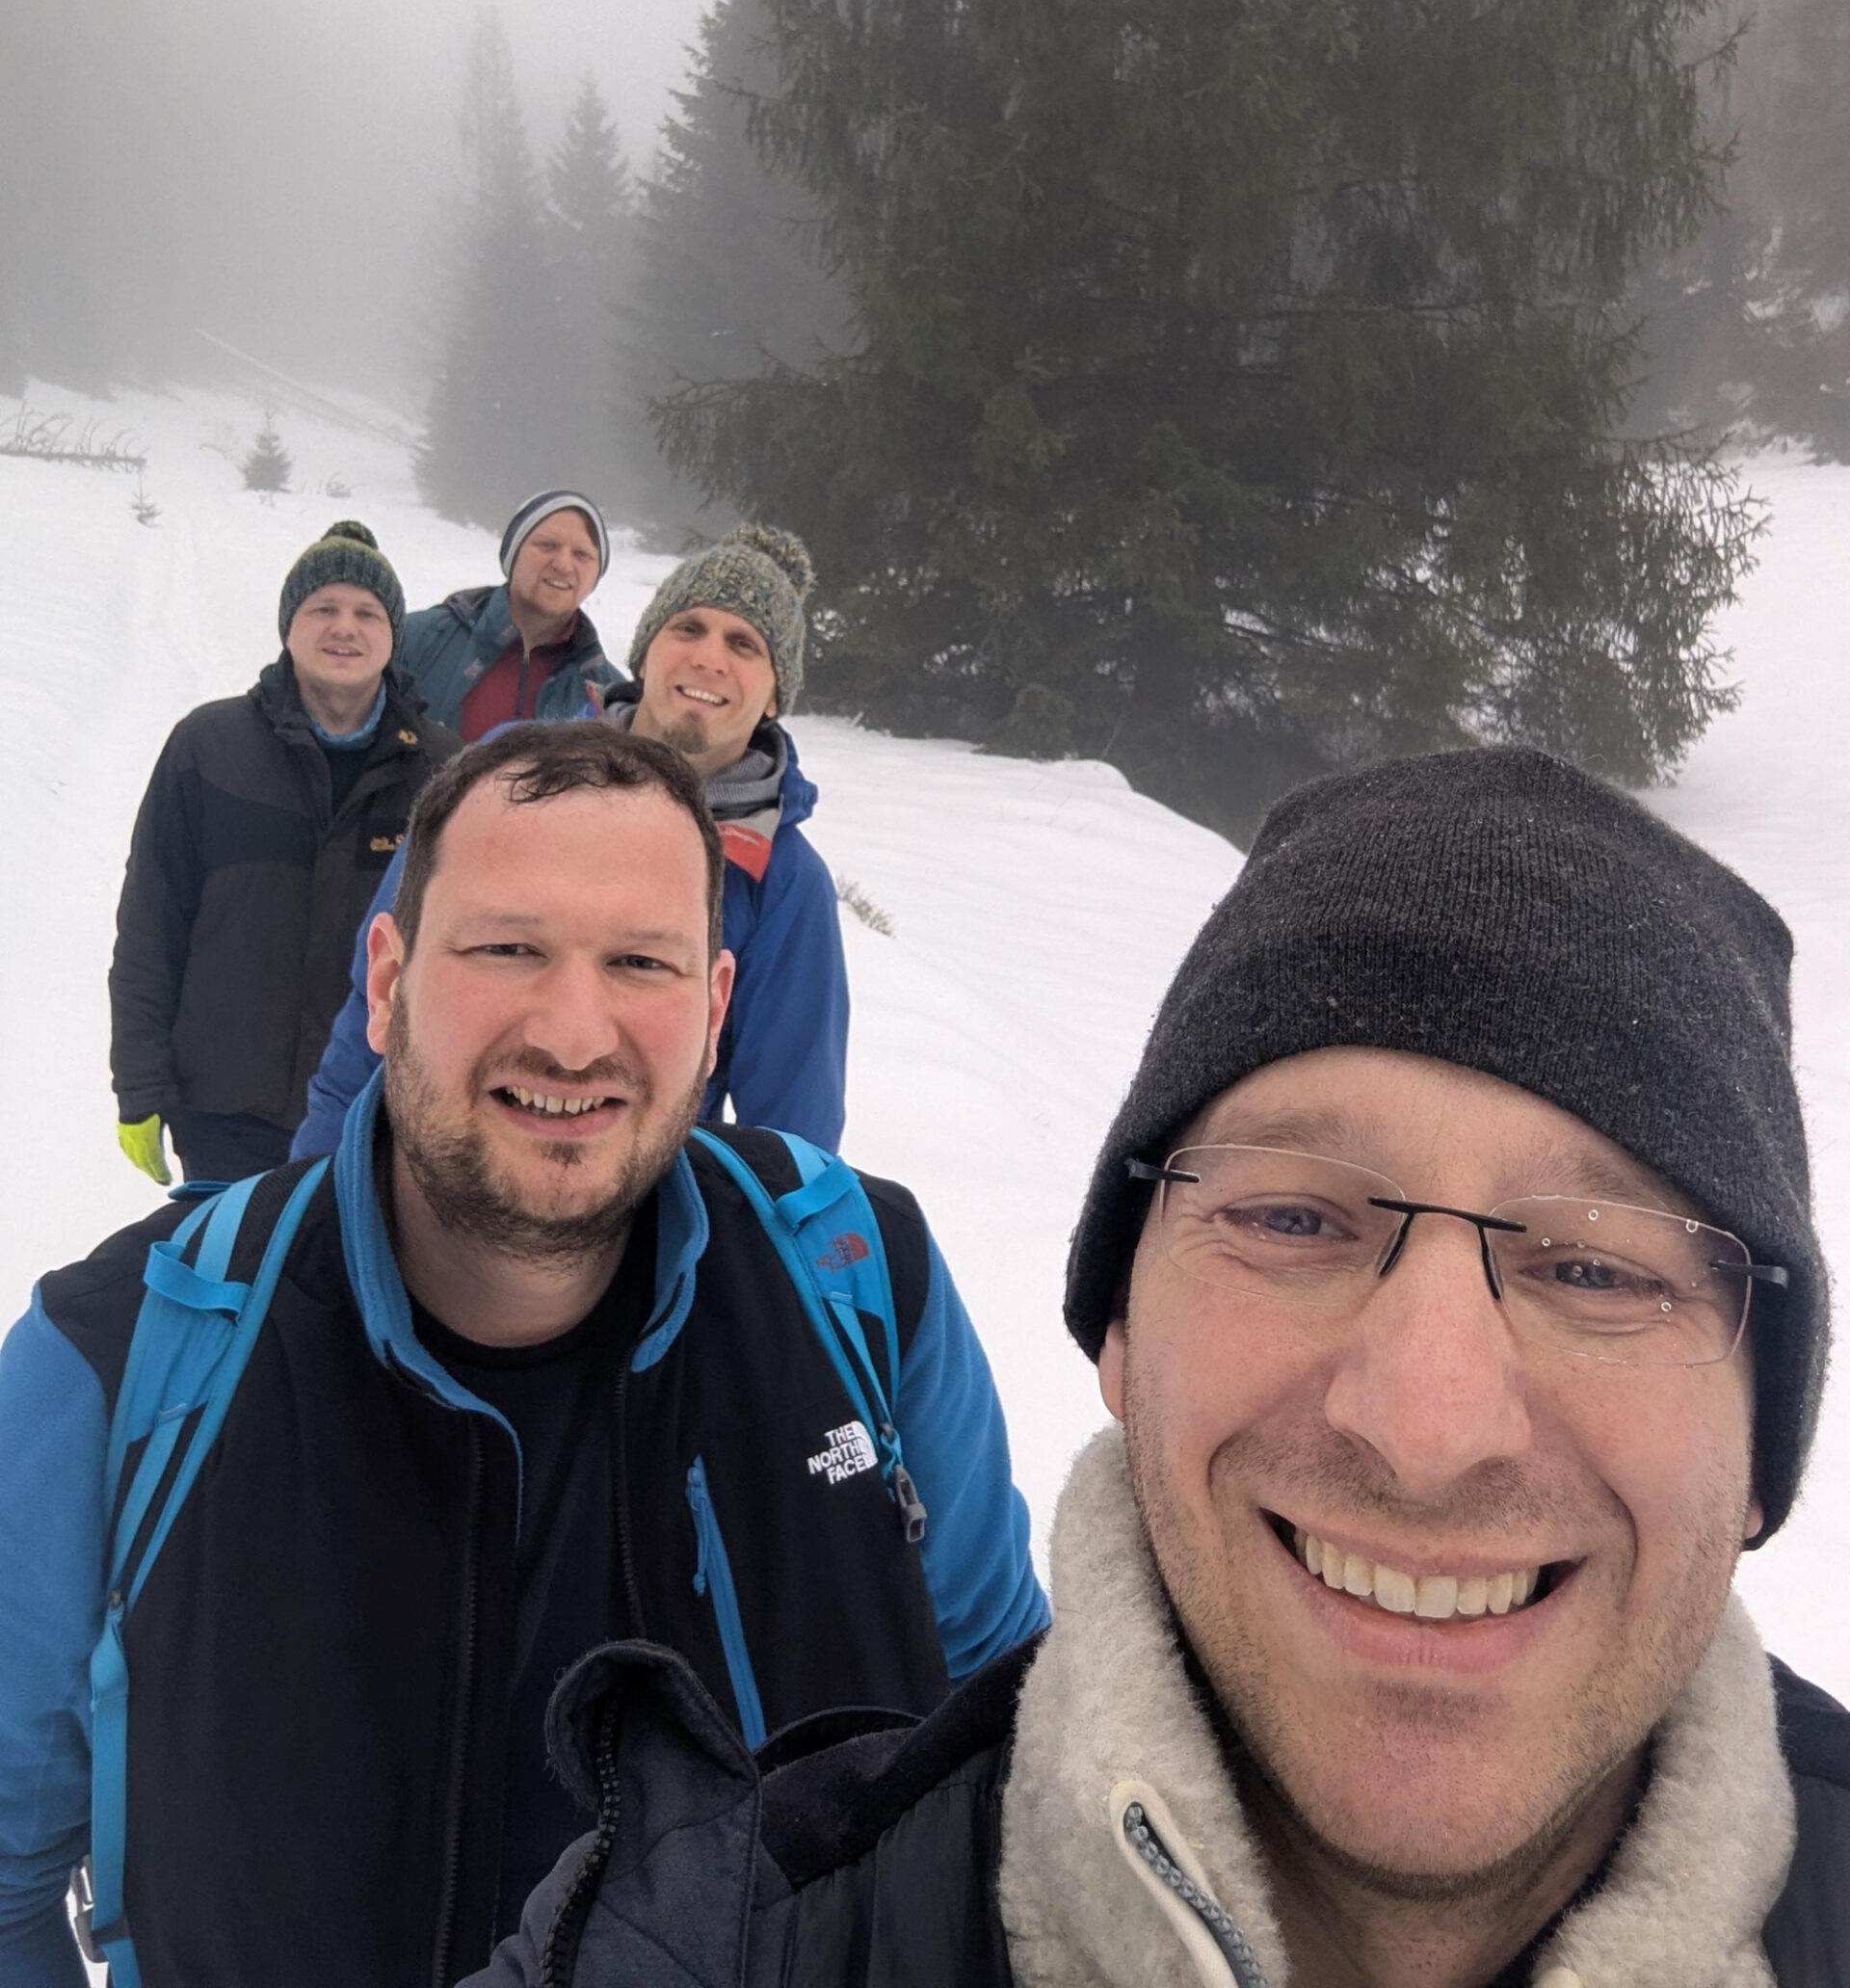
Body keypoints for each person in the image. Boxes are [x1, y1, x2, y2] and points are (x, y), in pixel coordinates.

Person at [474, 749, 1850, 1988]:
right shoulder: (722, 1947)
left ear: (1756, 1453)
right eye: (1293, 1218)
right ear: (1121, 1329)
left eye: (1600, 1270)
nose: (1426, 1427)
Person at [0, 722, 1044, 1987]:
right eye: (509, 947)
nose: (572, 1032)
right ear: (385, 984)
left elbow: (1009, 1748)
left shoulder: (860, 1282)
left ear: (714, 1008)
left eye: (641, 962)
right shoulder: (121, 1358)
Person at [291, 520, 851, 1157]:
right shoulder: (509, 771)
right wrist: (319, 1187)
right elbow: (380, 1005)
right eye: (688, 628)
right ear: (644, 652)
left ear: (777, 694)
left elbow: (791, 1140)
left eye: (745, 645)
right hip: (442, 1188)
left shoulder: (781, 879)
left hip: (629, 1223)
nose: (710, 658)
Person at [107, 518, 458, 1186]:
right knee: (227, 1286)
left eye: (367, 612)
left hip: (376, 1112)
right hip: (221, 1108)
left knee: (338, 1291)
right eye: (322, 607)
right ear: (288, 626)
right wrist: (140, 1084)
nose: (344, 627)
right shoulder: (208, 746)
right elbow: (152, 923)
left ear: (393, 634)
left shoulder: (443, 770)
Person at [400, 488, 619, 739]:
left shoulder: (609, 694)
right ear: (513, 555)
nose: (563, 565)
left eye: (582, 554)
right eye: (547, 545)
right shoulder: (416, 640)